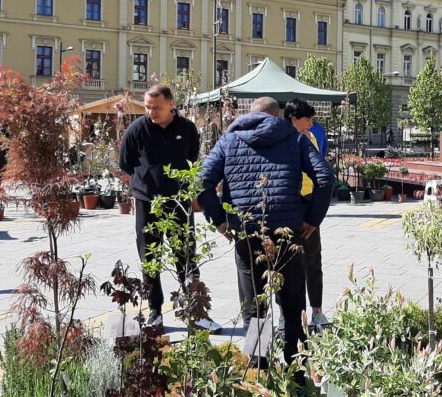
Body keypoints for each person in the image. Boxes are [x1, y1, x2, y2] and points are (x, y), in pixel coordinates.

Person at [197, 96, 333, 369]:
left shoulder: (228, 140)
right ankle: (296, 371)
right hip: (288, 234)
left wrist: (221, 221)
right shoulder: (295, 139)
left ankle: (257, 369)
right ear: (277, 115)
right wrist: (312, 219)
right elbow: (326, 176)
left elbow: (203, 181)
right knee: (293, 306)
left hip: (248, 234)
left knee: (253, 306)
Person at [118, 84, 201, 327]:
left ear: (171, 105)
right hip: (147, 202)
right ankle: (155, 309)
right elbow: (126, 163)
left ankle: (192, 305)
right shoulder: (136, 130)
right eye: (147, 107)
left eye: (157, 107)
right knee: (149, 255)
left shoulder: (187, 128)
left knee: (185, 253)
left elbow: (192, 157)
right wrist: (146, 181)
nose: (151, 112)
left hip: (178, 201)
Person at [284, 98, 330, 328]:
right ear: (293, 119)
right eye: (307, 120)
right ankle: (285, 314)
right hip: (286, 204)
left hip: (308, 201)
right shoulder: (280, 139)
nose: (311, 124)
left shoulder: (309, 137)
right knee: (284, 261)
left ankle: (317, 311)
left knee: (313, 259)